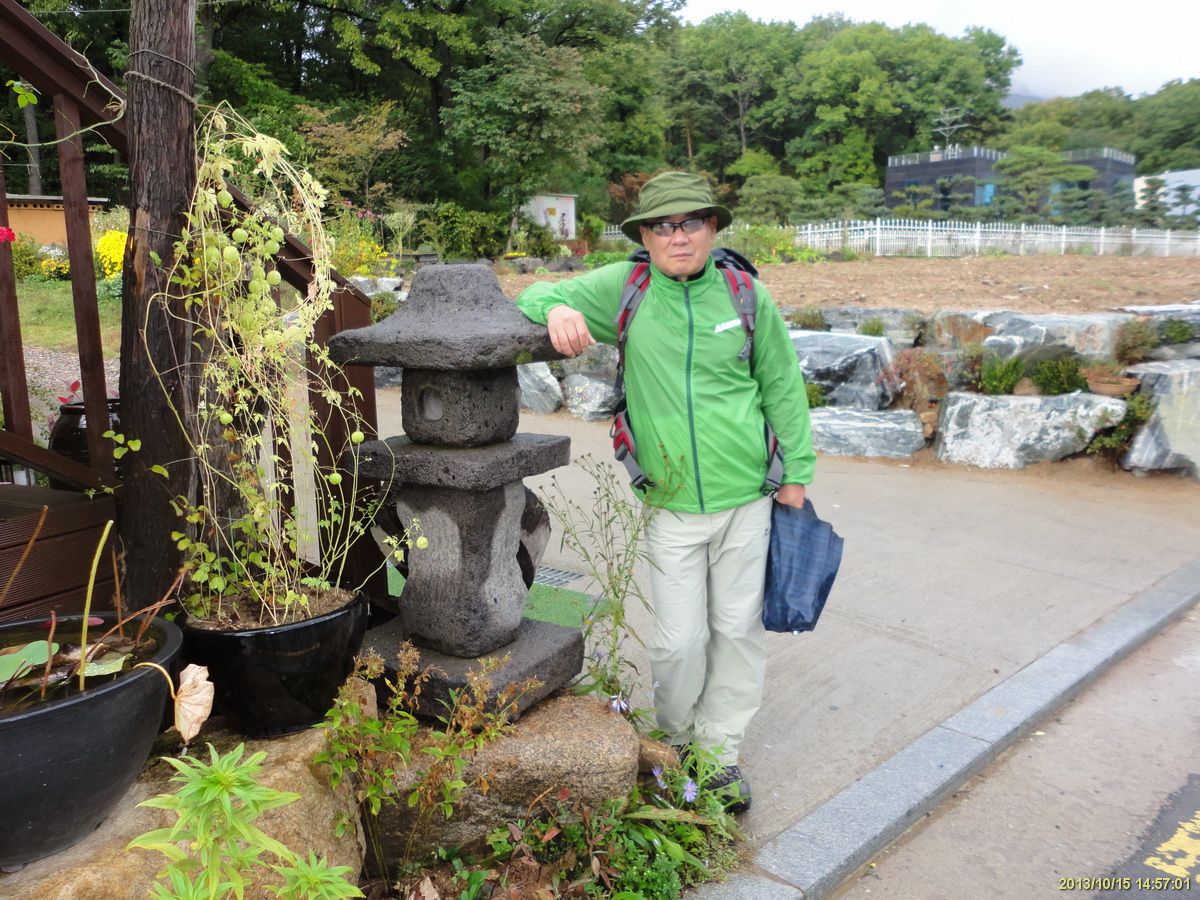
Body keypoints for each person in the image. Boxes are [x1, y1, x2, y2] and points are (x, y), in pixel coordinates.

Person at [516, 171, 815, 812]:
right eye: (662, 225)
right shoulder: (626, 288)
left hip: (748, 498)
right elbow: (532, 294)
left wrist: (796, 476)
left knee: (736, 630)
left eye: (691, 223)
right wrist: (559, 308)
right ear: (644, 236)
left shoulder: (744, 295)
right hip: (669, 502)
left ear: (712, 228)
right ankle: (676, 744)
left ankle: (719, 755)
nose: (678, 236)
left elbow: (782, 387)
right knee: (678, 641)